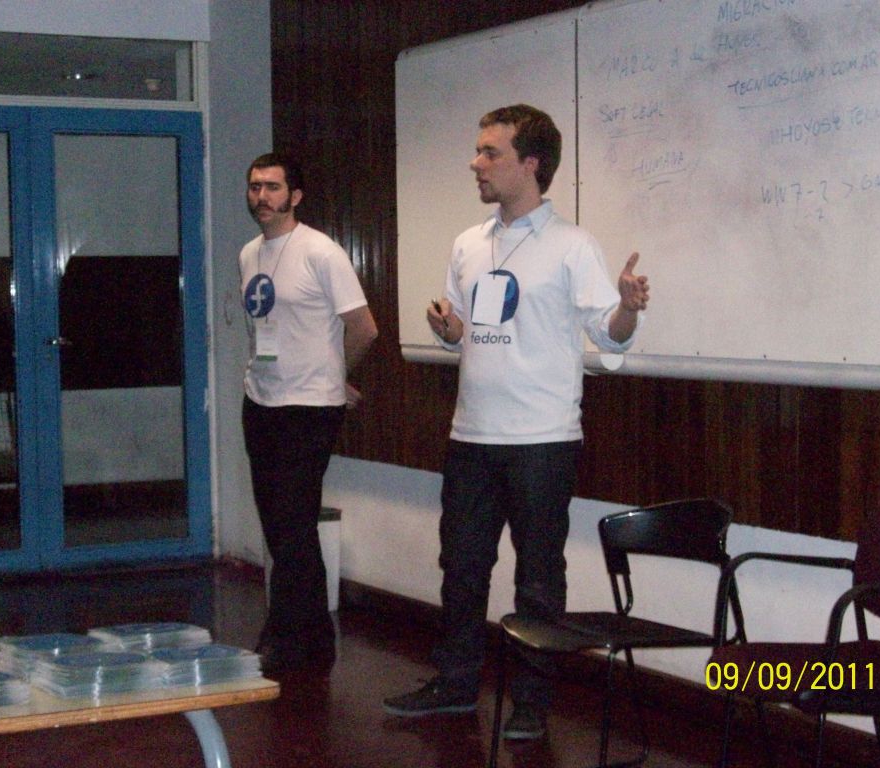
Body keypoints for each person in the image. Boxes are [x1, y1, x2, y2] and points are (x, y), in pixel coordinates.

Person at [382, 105, 649, 739]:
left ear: (530, 164)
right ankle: (455, 684)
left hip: (541, 440)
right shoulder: (468, 243)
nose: (475, 163)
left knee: (538, 576)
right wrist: (448, 329)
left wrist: (629, 308)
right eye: (478, 151)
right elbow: (465, 330)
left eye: (490, 152)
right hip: (471, 435)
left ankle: (531, 702)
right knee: (461, 566)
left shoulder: (572, 245)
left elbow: (609, 335)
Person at [239, 152, 378, 674]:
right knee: (279, 526)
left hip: (309, 407)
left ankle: (286, 635)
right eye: (255, 187)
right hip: (260, 400)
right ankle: (312, 636)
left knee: (294, 523)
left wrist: (335, 377)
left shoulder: (322, 251)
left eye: (273, 187)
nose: (262, 197)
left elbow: (364, 328)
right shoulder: (249, 253)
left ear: (294, 196)